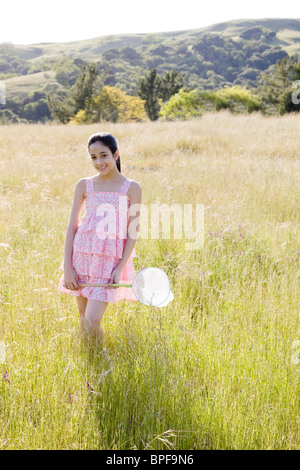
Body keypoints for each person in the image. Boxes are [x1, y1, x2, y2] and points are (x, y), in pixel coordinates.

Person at [58, 132, 142, 346]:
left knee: (91, 322)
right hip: (82, 257)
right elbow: (72, 226)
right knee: (83, 317)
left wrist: (120, 267)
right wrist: (68, 267)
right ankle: (91, 364)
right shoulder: (84, 185)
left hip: (108, 262)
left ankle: (102, 363)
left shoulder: (131, 188)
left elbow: (133, 232)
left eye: (103, 155)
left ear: (116, 155)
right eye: (93, 157)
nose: (99, 162)